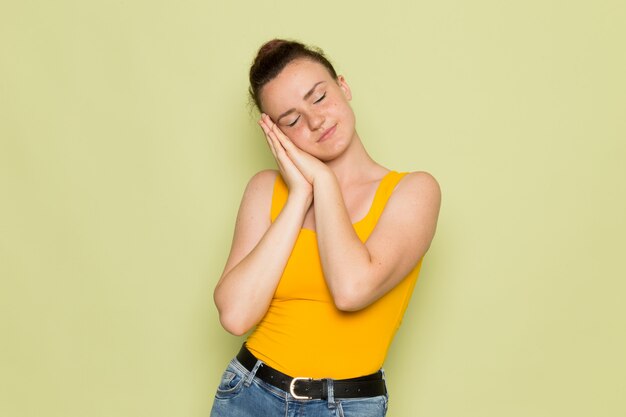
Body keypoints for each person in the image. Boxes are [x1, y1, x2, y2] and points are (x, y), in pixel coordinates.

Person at [210, 39, 441, 417]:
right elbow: (235, 315)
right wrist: (300, 195)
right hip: (249, 395)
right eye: (291, 119)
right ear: (276, 132)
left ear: (343, 87)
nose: (316, 121)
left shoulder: (414, 191)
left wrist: (324, 181)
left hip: (346, 407)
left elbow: (351, 289)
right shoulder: (266, 190)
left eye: (318, 98)